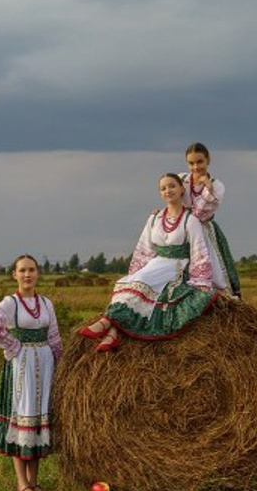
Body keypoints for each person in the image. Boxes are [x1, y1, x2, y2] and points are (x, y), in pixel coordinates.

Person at [79, 173, 217, 352]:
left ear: (182, 189)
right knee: (128, 283)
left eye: (172, 186)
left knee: (141, 282)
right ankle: (112, 332)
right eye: (163, 188)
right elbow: (144, 248)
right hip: (155, 264)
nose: (168, 190)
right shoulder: (154, 219)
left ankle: (107, 324)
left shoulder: (190, 220)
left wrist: (201, 281)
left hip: (176, 267)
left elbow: (199, 251)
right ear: (160, 193)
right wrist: (135, 272)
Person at [0, 255, 62, 491]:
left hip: (45, 365)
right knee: (23, 417)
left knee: (37, 420)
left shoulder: (47, 303)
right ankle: (21, 483)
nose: (27, 275)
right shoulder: (10, 303)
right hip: (22, 366)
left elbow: (55, 338)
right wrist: (13, 345)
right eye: (22, 271)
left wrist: (61, 365)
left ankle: (34, 481)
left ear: (37, 273)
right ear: (14, 275)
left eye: (31, 270)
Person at [182, 141, 241, 295]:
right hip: (181, 230)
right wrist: (162, 212)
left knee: (214, 270)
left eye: (200, 162)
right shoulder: (182, 180)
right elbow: (169, 195)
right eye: (191, 163)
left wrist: (208, 187)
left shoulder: (217, 186)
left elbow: (199, 213)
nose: (196, 167)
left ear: (208, 160)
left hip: (204, 231)